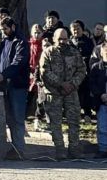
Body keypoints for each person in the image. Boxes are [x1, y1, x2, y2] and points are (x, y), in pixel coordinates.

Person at [39, 27, 86, 160]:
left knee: (74, 121)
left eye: (65, 39)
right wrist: (60, 83)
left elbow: (82, 70)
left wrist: (72, 84)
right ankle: (60, 150)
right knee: (55, 123)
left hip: (71, 92)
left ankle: (74, 149)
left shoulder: (74, 53)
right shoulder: (48, 53)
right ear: (54, 39)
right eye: (59, 39)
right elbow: (44, 72)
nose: (62, 41)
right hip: (54, 93)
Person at [0, 17, 30, 157]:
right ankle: (13, 148)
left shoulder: (21, 42)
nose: (3, 32)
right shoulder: (2, 42)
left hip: (18, 86)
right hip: (4, 86)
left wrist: (4, 75)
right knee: (9, 119)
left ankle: (19, 149)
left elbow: (18, 62)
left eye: (5, 29)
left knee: (18, 118)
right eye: (2, 30)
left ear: (13, 27)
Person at [70, 20, 96, 119]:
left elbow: (92, 56)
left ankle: (87, 113)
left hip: (85, 72)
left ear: (82, 29)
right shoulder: (69, 42)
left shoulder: (88, 42)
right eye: (74, 29)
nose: (76, 31)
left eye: (78, 29)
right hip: (72, 72)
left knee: (86, 92)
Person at [89, 41, 107, 158]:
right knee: (102, 127)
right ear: (101, 52)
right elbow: (92, 84)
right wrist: (100, 94)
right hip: (101, 102)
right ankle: (103, 149)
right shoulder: (96, 68)